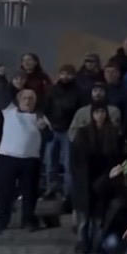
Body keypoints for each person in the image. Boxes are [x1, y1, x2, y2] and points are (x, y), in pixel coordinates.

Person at [70, 104, 122, 254]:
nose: (99, 115)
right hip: (85, 182)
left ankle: (98, 250)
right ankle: (83, 251)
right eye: (97, 112)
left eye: (102, 112)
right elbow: (76, 159)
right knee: (83, 222)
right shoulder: (83, 132)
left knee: (99, 221)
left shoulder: (113, 133)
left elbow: (116, 158)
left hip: (104, 182)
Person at [0, 90, 52, 233]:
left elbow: (50, 138)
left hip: (30, 160)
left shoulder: (40, 116)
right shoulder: (9, 111)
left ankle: (28, 220)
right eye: (25, 98)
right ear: (19, 100)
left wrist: (44, 128)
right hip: (7, 157)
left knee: (30, 192)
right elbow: (1, 92)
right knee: (5, 191)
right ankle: (2, 220)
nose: (28, 101)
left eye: (31, 98)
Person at [43, 64, 84, 198]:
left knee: (68, 165)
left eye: (68, 74)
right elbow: (46, 108)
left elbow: (80, 112)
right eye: (63, 73)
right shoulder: (52, 90)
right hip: (53, 129)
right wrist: (48, 124)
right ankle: (52, 189)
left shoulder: (78, 91)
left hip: (69, 131)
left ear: (73, 75)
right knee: (50, 162)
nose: (65, 76)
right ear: (59, 75)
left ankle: (68, 193)